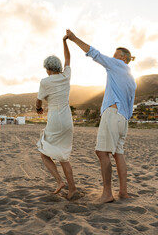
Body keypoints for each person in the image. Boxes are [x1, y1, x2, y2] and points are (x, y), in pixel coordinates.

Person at [66, 29, 136, 204]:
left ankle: (107, 193)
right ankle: (124, 192)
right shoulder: (132, 78)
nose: (112, 58)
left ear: (123, 59)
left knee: (101, 152)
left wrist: (74, 39)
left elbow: (94, 53)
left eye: (115, 55)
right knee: (118, 153)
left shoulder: (117, 65)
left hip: (113, 115)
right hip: (123, 119)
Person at [36, 35, 77, 200]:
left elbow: (39, 100)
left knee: (43, 151)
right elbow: (68, 58)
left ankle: (59, 181)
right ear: (58, 66)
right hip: (67, 120)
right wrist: (64, 41)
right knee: (63, 156)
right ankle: (72, 189)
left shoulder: (45, 81)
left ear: (47, 68)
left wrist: (38, 108)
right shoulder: (66, 76)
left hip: (54, 120)